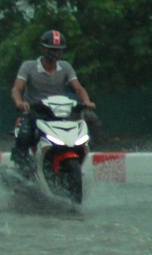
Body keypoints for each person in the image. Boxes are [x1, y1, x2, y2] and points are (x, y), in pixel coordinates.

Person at [10, 30, 97, 167]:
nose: (54, 53)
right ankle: (22, 168)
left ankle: (79, 161)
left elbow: (78, 88)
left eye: (58, 50)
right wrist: (20, 102)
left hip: (60, 114)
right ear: (43, 48)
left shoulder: (65, 67)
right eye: (51, 49)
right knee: (24, 135)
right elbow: (17, 88)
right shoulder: (28, 66)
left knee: (86, 127)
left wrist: (86, 102)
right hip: (35, 114)